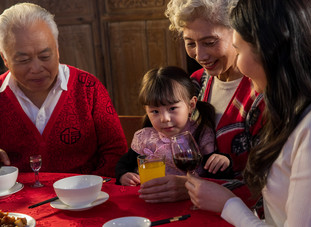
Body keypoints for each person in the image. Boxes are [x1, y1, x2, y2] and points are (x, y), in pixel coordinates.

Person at [185, 0, 311, 226]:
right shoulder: (293, 111)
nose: (238, 63)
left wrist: (229, 204)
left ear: (270, 49)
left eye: (238, 49)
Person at [138, 0, 264, 204]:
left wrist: (191, 187)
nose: (200, 55)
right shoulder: (194, 83)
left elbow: (266, 184)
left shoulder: (259, 93)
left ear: (237, 33)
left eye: (210, 42)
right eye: (190, 43)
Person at [0, 3, 128, 177]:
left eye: (45, 56)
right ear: (5, 59)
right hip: (15, 200)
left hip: (87, 197)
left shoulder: (88, 88)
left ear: (57, 50)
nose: (36, 68)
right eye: (23, 60)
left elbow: (116, 152)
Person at [116, 66, 231, 186]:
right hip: (152, 196)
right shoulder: (145, 137)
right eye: (155, 111)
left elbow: (216, 175)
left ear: (191, 105)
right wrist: (123, 175)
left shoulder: (201, 133)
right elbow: (123, 164)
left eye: (172, 108)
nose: (164, 118)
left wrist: (223, 161)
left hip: (190, 198)